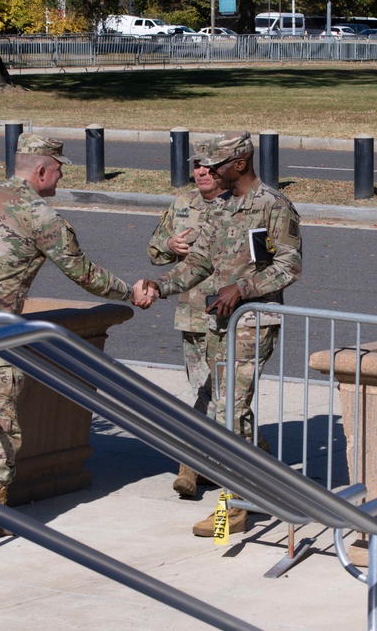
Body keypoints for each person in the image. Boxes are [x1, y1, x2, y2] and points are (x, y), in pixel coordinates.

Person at [0, 133, 147, 537]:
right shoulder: (42, 217)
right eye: (60, 170)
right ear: (43, 169)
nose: (61, 178)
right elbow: (84, 274)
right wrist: (129, 292)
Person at [136, 131, 303, 536]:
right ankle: (251, 483)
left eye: (217, 165)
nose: (207, 172)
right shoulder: (220, 207)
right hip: (214, 321)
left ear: (241, 164)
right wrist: (160, 285)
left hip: (252, 321)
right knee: (230, 412)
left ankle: (233, 509)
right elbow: (197, 264)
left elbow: (289, 266)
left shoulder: (274, 206)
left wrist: (242, 288)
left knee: (230, 410)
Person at [146, 141, 225, 497]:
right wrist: (169, 247)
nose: (201, 172)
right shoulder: (182, 204)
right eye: (197, 166)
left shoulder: (241, 205)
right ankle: (197, 466)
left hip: (232, 315)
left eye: (208, 166)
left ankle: (198, 466)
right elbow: (153, 250)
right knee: (204, 390)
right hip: (192, 313)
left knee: (225, 395)